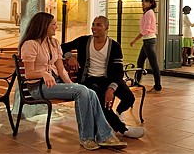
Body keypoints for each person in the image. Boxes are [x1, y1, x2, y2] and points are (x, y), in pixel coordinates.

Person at [20, 12, 127, 151]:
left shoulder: (54, 43)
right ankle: (87, 138)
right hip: (38, 87)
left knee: (89, 93)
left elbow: (61, 70)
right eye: (53, 24)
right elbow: (28, 74)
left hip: (56, 83)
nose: (56, 27)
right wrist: (43, 73)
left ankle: (104, 136)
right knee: (83, 90)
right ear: (44, 25)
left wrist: (72, 85)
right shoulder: (30, 44)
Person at [61, 16, 145, 139]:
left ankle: (119, 113)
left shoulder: (114, 46)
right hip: (89, 80)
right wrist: (70, 56)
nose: (94, 27)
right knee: (102, 102)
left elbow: (118, 72)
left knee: (129, 98)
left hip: (109, 79)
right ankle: (123, 129)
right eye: (93, 24)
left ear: (107, 27)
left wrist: (111, 88)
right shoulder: (84, 41)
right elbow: (61, 47)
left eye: (98, 25)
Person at [130, 0, 162, 93]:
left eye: (146, 2)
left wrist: (135, 40)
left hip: (149, 40)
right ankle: (136, 82)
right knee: (140, 62)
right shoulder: (147, 13)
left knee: (153, 64)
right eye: (143, 2)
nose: (143, 3)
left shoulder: (149, 13)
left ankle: (157, 86)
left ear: (151, 3)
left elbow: (146, 29)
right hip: (146, 41)